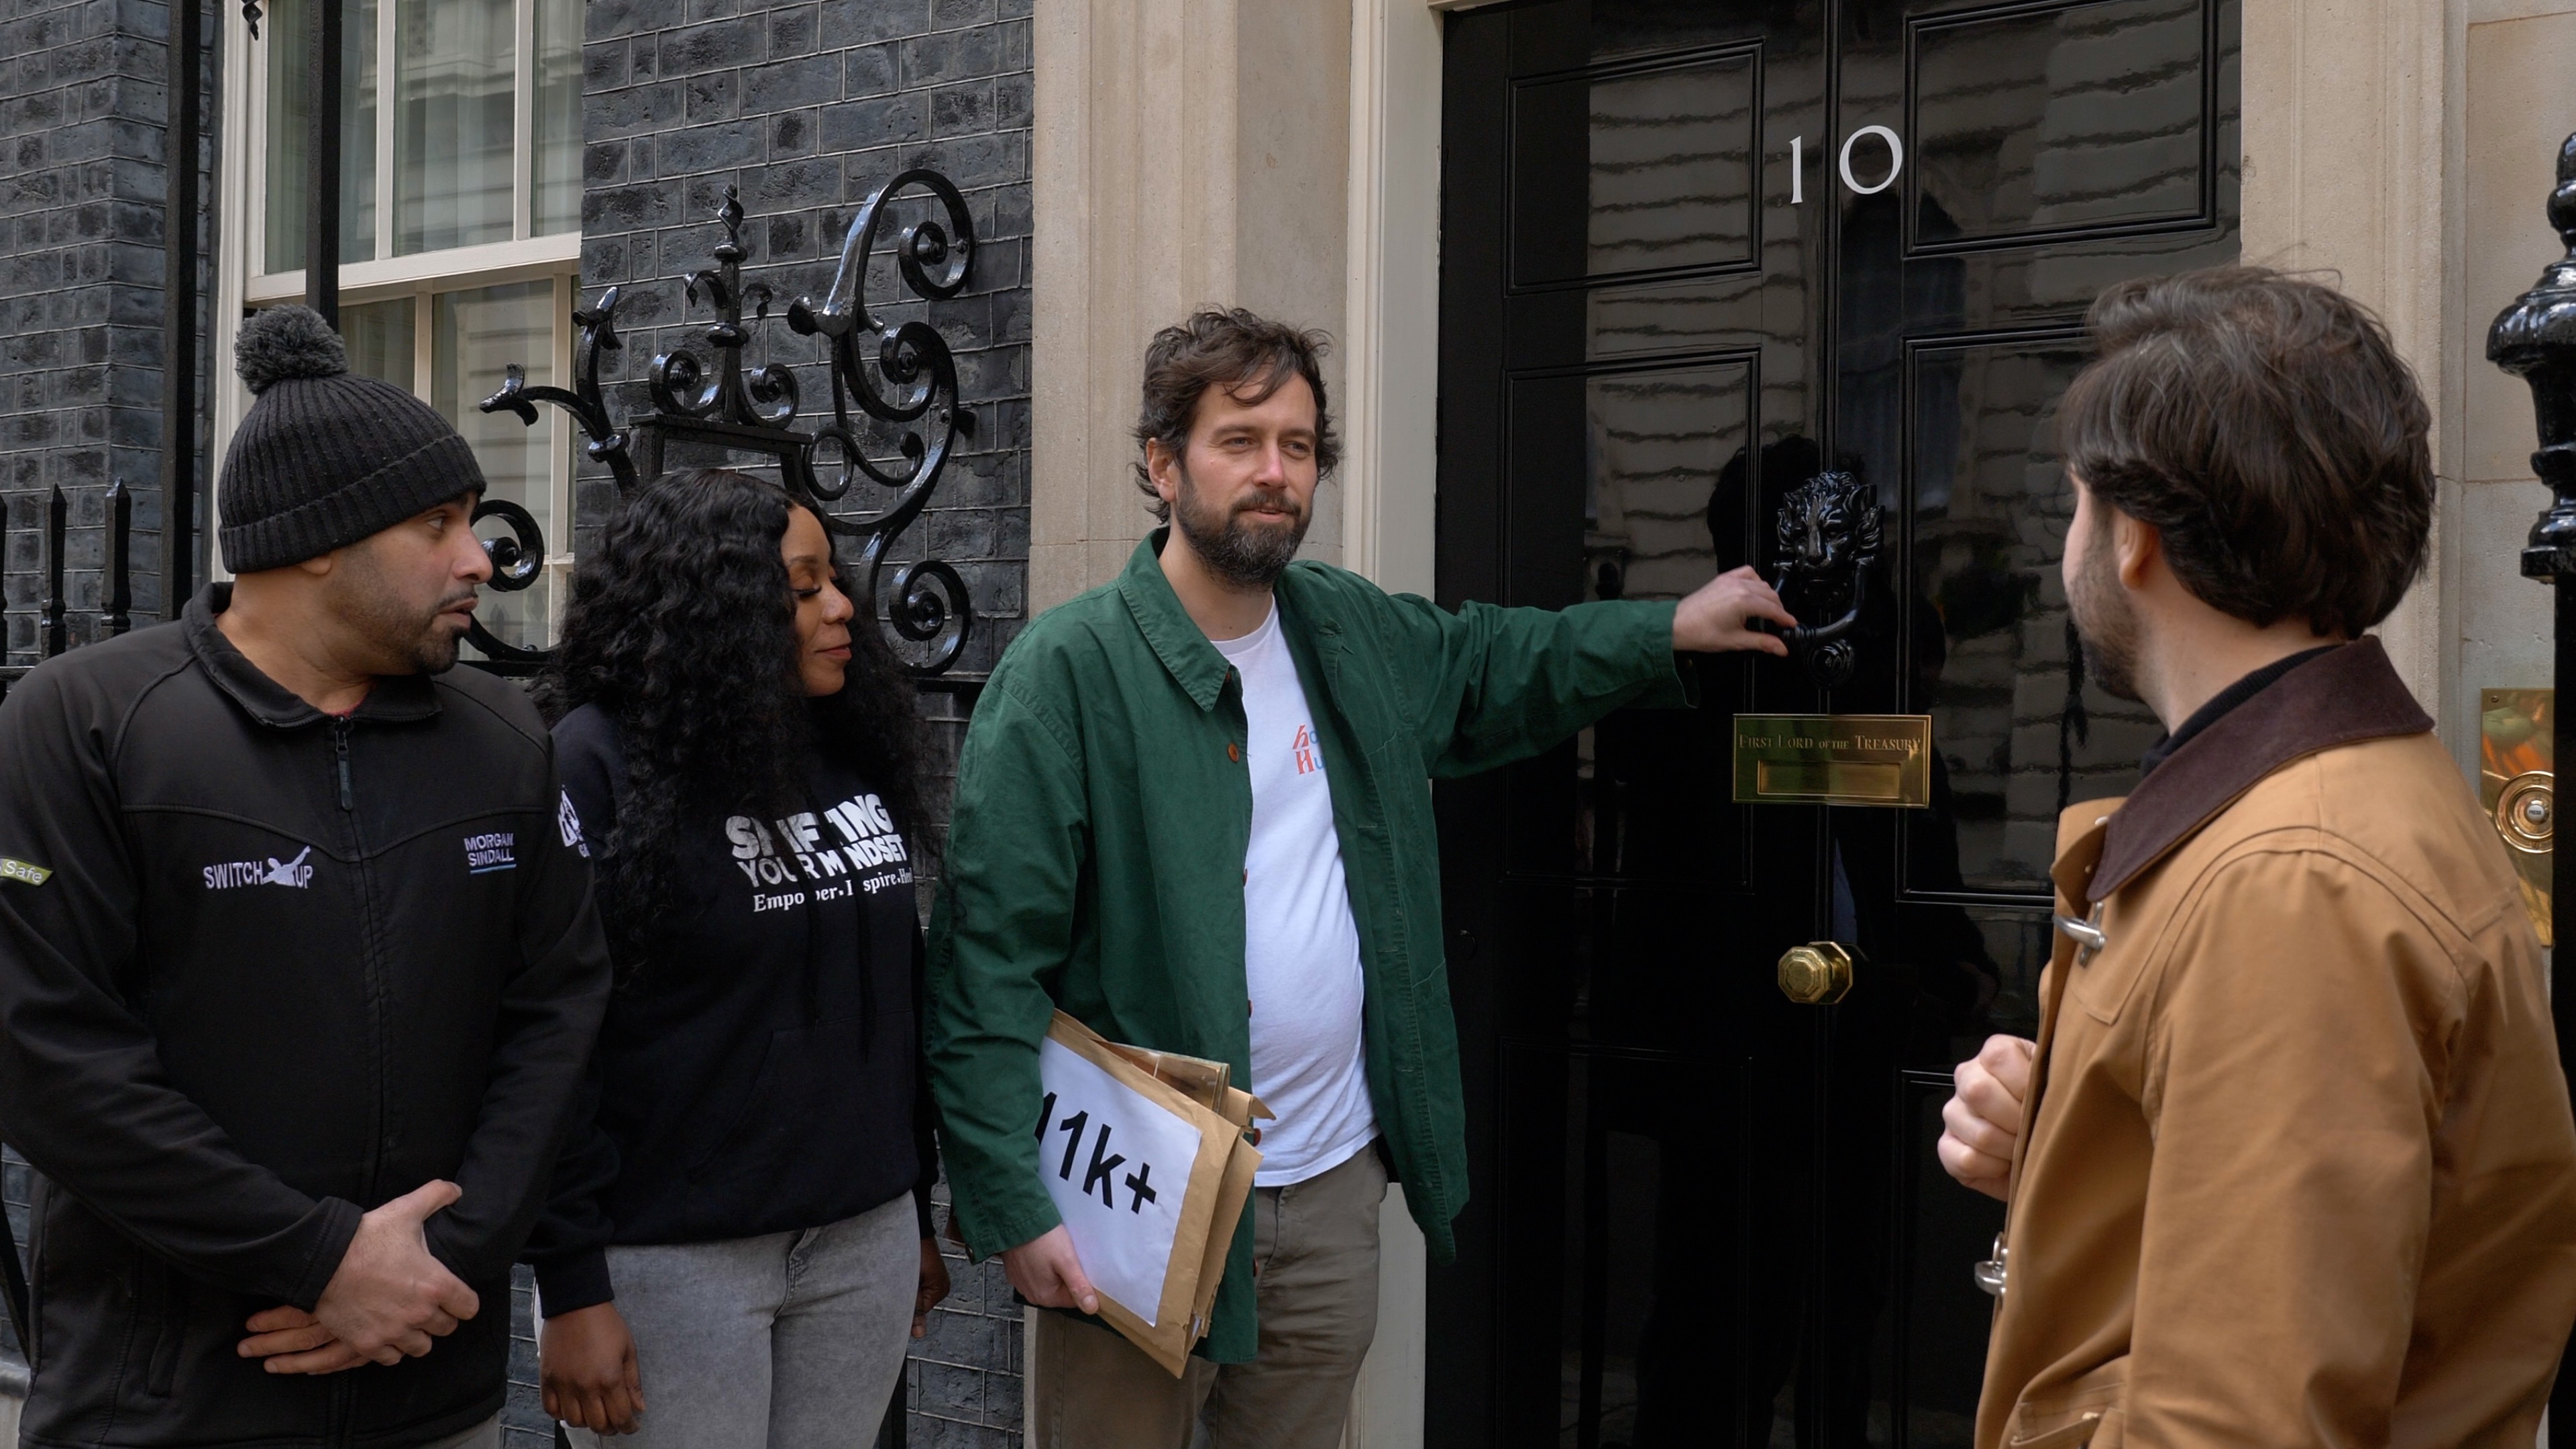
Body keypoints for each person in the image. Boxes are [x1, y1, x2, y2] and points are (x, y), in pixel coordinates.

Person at [925, 308, 1797, 1446]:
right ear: (1162, 461)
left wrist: (1666, 629)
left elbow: (1495, 665)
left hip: (1331, 1187)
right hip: (1136, 1199)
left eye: (1297, 445)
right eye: (1239, 441)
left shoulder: (1346, 630)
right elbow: (986, 968)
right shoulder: (1068, 675)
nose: (1274, 473)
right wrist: (1016, 1206)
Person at [1933, 267, 2576, 1448]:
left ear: (2135, 538)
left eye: (2078, 504)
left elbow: (2235, 1425)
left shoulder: (2294, 880)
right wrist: (2068, 1145)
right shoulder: (2297, 824)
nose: (2068, 539)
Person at [0, 305, 613, 1449]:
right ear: (319, 538)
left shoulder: (502, 735)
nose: (480, 557)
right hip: (166, 1403)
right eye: (439, 523)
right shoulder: (84, 721)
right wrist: (318, 1258)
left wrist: (435, 1264)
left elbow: (558, 1017)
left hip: (434, 1384)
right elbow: (49, 1059)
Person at [523, 471, 949, 1448]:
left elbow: (888, 1006)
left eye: (831, 579)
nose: (841, 606)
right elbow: (550, 1045)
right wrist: (572, 1282)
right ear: (715, 611)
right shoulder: (593, 767)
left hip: (859, 1240)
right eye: (801, 590)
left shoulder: (843, 746)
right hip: (673, 1259)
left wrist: (913, 1205)